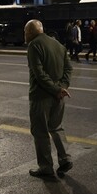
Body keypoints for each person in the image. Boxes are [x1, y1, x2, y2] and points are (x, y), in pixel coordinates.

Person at [24, 19, 73, 179]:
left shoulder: (34, 45)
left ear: (31, 31)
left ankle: (46, 167)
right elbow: (68, 68)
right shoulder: (58, 45)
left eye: (26, 32)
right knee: (56, 127)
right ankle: (65, 158)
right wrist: (62, 87)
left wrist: (55, 89)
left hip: (41, 96)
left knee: (40, 132)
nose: (24, 35)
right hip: (59, 96)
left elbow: (39, 74)